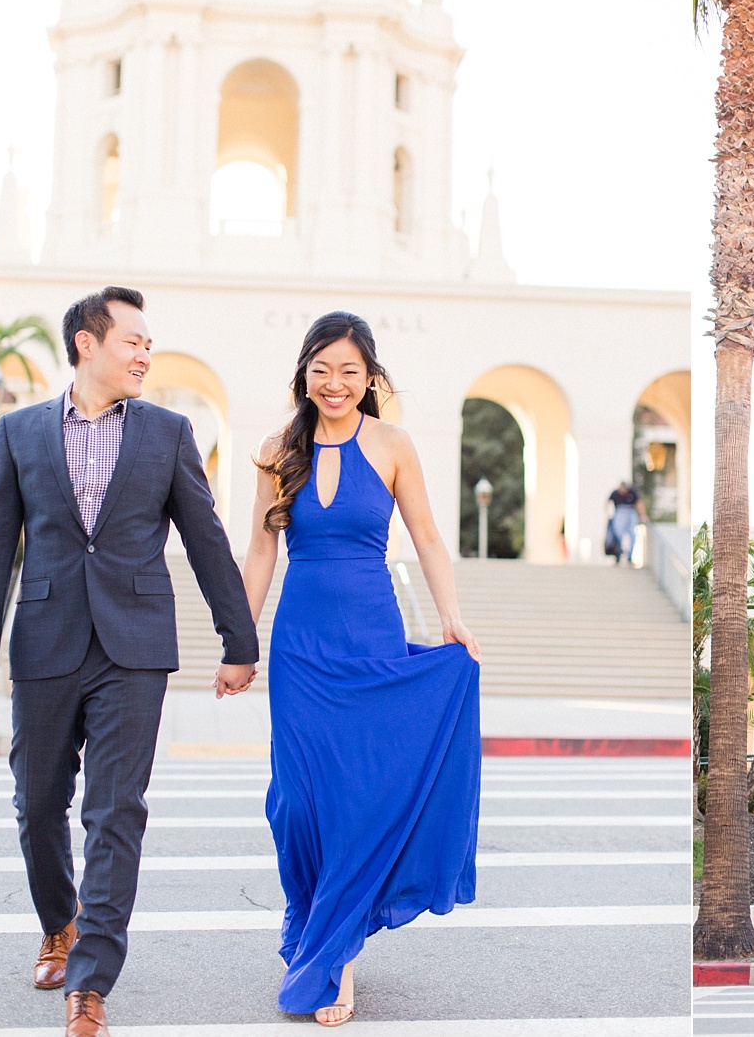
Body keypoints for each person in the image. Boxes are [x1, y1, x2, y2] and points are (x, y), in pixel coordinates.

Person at [0, 287, 259, 1037]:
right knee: (36, 802)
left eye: (150, 344)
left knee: (116, 810)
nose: (145, 354)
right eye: (133, 341)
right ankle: (58, 923)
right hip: (45, 639)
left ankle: (89, 982)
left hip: (135, 646)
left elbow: (205, 536)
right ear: (87, 344)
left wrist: (239, 638)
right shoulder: (18, 431)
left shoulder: (167, 431)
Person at [243, 312, 482, 1027]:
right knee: (298, 802)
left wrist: (452, 617)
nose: (335, 383)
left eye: (349, 370)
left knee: (355, 801)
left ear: (370, 377)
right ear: (303, 374)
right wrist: (239, 640)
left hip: (370, 637)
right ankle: (314, 924)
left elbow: (430, 538)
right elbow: (259, 554)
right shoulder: (275, 447)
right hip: (299, 649)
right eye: (322, 369)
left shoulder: (393, 444)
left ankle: (337, 954)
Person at [606, 480, 646, 565]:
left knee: (632, 534)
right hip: (619, 512)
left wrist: (643, 515)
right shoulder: (615, 493)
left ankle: (630, 557)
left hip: (630, 511)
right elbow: (609, 503)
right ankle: (618, 554)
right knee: (618, 534)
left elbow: (639, 503)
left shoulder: (632, 492)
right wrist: (609, 514)